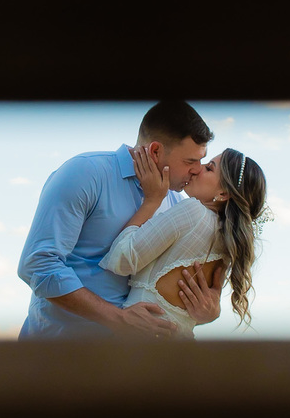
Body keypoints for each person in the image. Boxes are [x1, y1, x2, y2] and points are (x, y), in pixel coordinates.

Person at [17, 100, 224, 339]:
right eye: (190, 161)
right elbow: (37, 264)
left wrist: (208, 311)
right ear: (155, 151)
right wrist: (118, 318)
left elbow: (167, 292)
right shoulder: (86, 173)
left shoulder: (178, 206)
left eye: (201, 160)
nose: (197, 169)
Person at [100, 145, 269, 339]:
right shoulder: (228, 244)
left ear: (223, 194)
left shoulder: (193, 212)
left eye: (209, 168)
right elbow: (195, 312)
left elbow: (122, 259)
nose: (198, 169)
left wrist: (151, 201)